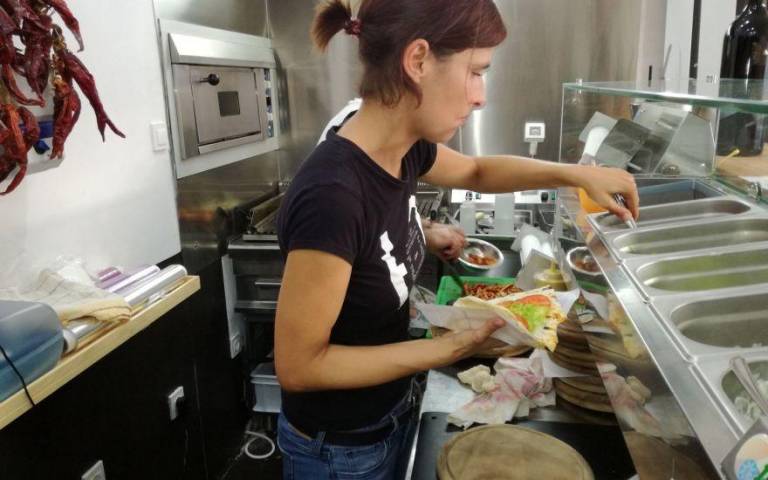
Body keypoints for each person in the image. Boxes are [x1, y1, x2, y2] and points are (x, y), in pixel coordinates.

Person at [274, 1, 639, 479]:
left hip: (390, 413)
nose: (481, 97)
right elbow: (300, 367)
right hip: (340, 451)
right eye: (476, 72)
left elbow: (475, 170)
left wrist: (576, 174)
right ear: (418, 60)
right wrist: (444, 350)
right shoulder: (333, 194)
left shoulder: (405, 150)